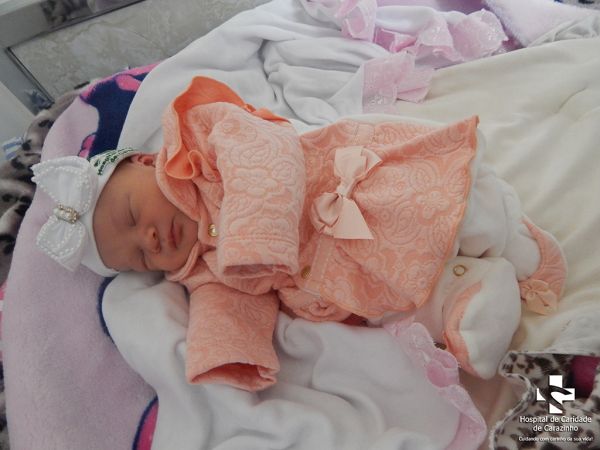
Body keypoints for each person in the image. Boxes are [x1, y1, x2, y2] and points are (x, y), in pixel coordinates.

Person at [32, 76, 567, 391]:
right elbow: (229, 305)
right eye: (139, 259)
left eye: (132, 216)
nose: (150, 241)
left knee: (433, 208)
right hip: (345, 270)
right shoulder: (202, 268)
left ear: (148, 163)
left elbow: (266, 151)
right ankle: (472, 292)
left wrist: (253, 237)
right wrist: (229, 353)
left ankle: (508, 233)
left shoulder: (202, 138)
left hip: (348, 189)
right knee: (397, 306)